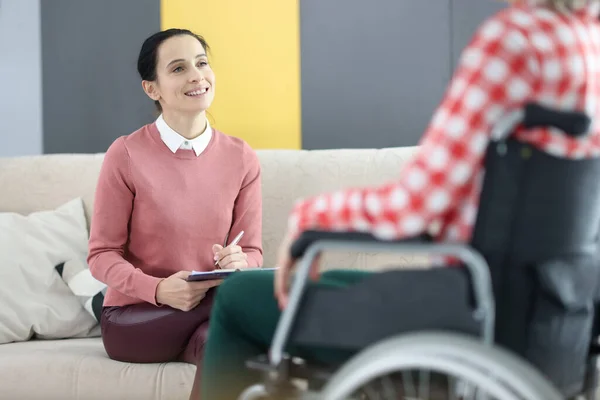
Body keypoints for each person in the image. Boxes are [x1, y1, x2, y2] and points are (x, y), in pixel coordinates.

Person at [199, 0, 600, 398]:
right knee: (327, 284)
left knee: (238, 296)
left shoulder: (516, 38)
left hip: (474, 306)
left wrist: (308, 219)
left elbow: (414, 208)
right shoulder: (589, 40)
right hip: (554, 315)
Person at [87, 28, 263, 400]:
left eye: (201, 63)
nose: (197, 76)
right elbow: (101, 256)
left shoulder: (241, 157)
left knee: (225, 344)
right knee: (249, 317)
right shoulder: (126, 154)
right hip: (137, 319)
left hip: (209, 314)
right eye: (179, 68)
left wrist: (240, 261)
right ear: (153, 89)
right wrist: (159, 289)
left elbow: (253, 252)